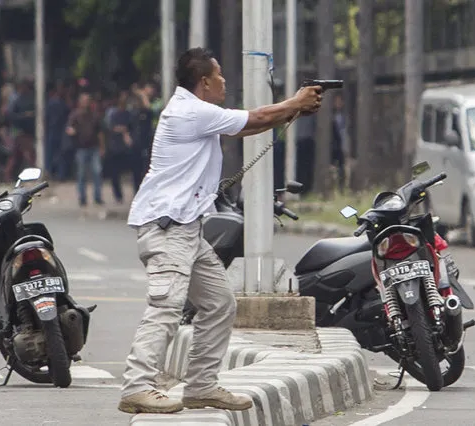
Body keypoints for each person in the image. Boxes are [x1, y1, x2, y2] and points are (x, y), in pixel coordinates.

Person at [118, 47, 323, 415]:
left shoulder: (197, 112)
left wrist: (293, 109)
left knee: (219, 303)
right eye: (221, 76)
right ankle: (137, 387)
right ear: (205, 82)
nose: (226, 82)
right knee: (166, 308)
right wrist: (293, 101)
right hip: (168, 228)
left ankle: (201, 386)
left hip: (187, 231)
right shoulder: (189, 111)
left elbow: (250, 126)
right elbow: (257, 116)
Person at [65, 92, 105, 206]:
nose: (85, 103)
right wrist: (71, 131)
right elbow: (69, 128)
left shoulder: (94, 115)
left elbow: (100, 133)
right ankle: (82, 198)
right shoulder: (75, 115)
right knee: (81, 174)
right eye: (84, 100)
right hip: (81, 148)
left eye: (87, 100)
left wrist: (102, 147)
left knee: (97, 172)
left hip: (94, 148)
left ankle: (97, 197)